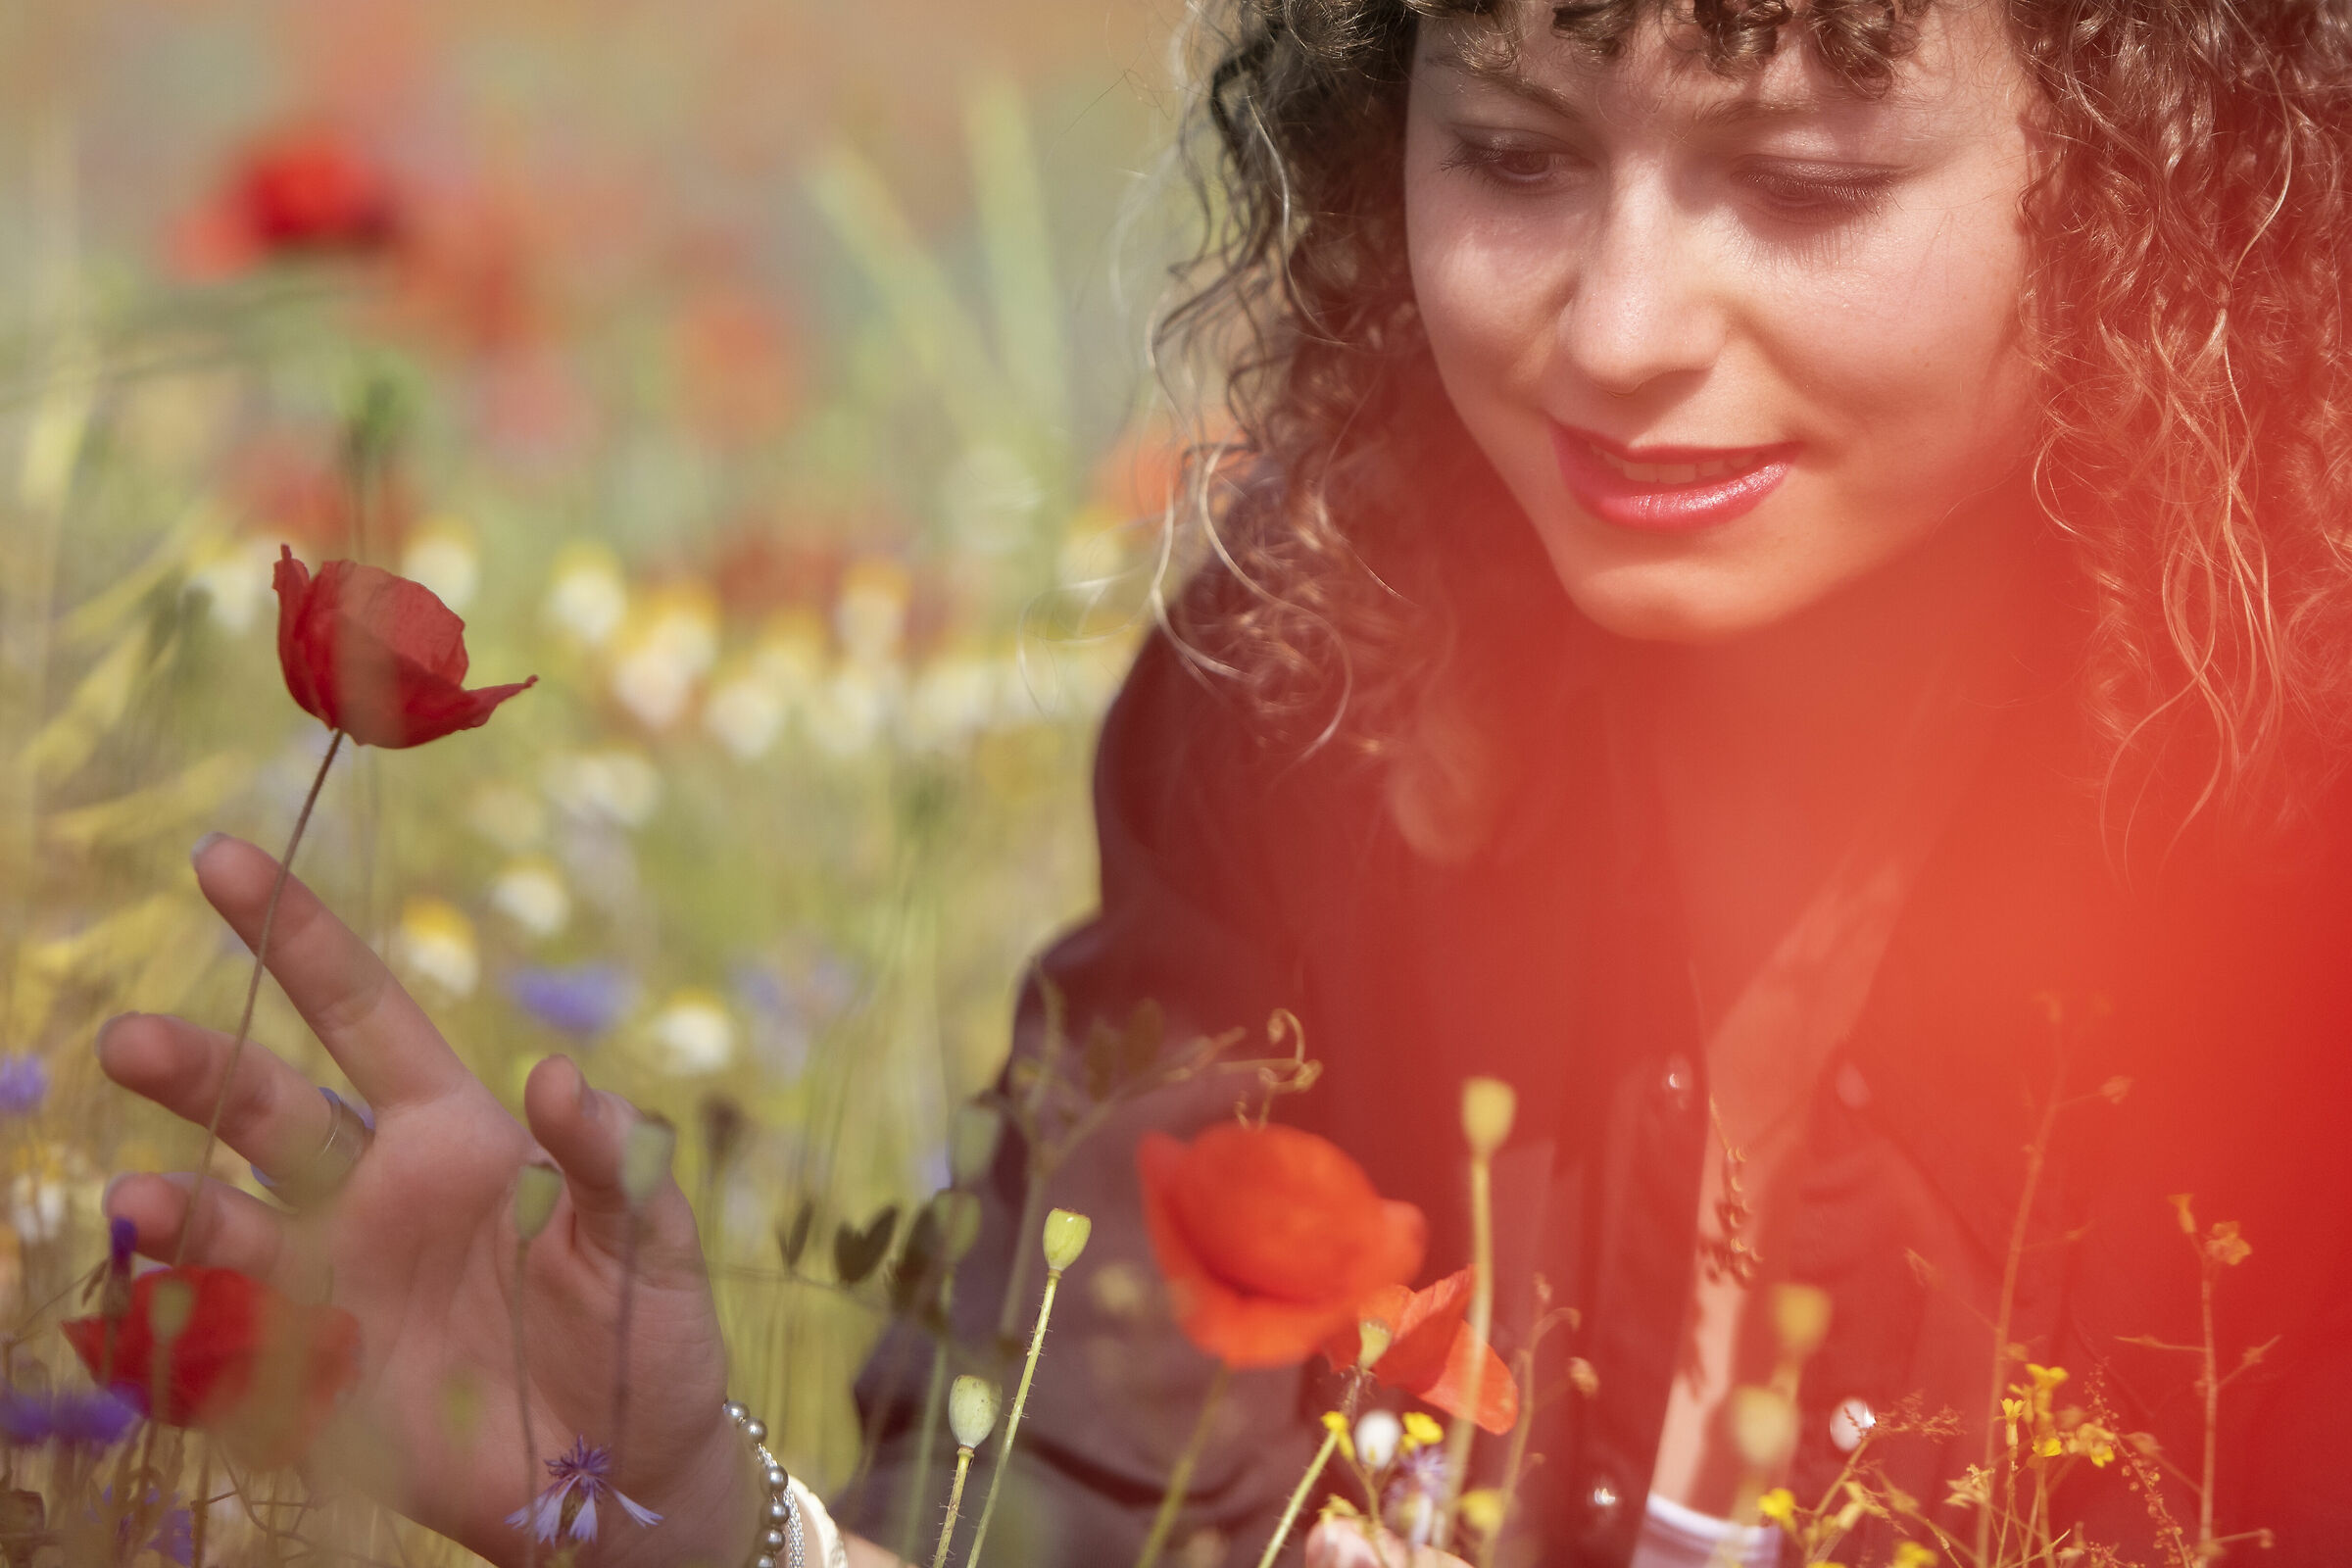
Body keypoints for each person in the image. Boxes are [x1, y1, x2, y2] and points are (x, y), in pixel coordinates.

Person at [96, 0, 2352, 1564]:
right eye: (1516, 155)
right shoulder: (1311, 697)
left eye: (1804, 177)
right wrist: (670, 1500)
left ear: (2166, 177)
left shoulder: (2291, 851)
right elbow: (1075, 1517)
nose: (1622, 322)